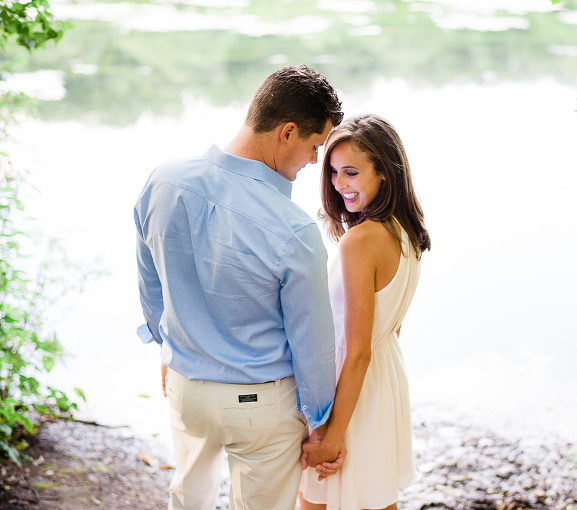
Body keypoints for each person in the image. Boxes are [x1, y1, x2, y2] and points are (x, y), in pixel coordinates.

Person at [133, 65, 345, 510]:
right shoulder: (296, 231)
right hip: (262, 406)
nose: (313, 161)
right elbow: (313, 346)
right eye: (314, 146)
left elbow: (150, 285)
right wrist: (321, 423)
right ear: (287, 132)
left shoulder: (162, 181)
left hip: (186, 386)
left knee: (188, 500)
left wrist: (166, 348)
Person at [297, 114, 431, 510]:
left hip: (350, 390)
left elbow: (357, 350)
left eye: (351, 172)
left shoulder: (361, 241)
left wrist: (332, 435)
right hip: (382, 381)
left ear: (385, 172)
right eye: (334, 172)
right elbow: (391, 329)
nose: (339, 185)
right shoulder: (406, 233)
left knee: (317, 502)